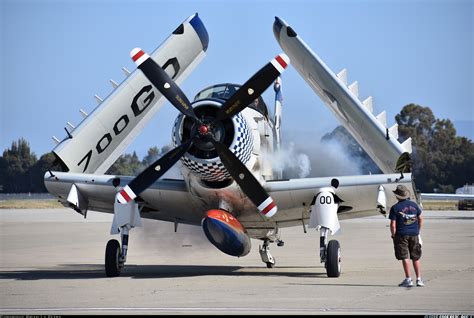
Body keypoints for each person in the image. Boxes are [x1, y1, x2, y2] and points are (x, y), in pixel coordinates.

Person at [389, 184, 424, 287]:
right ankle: (419, 279)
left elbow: (392, 224)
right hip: (414, 234)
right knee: (416, 257)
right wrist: (418, 230)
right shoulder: (414, 205)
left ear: (397, 196)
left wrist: (393, 235)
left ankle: (408, 279)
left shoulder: (395, 208)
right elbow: (421, 218)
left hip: (401, 234)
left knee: (405, 256)